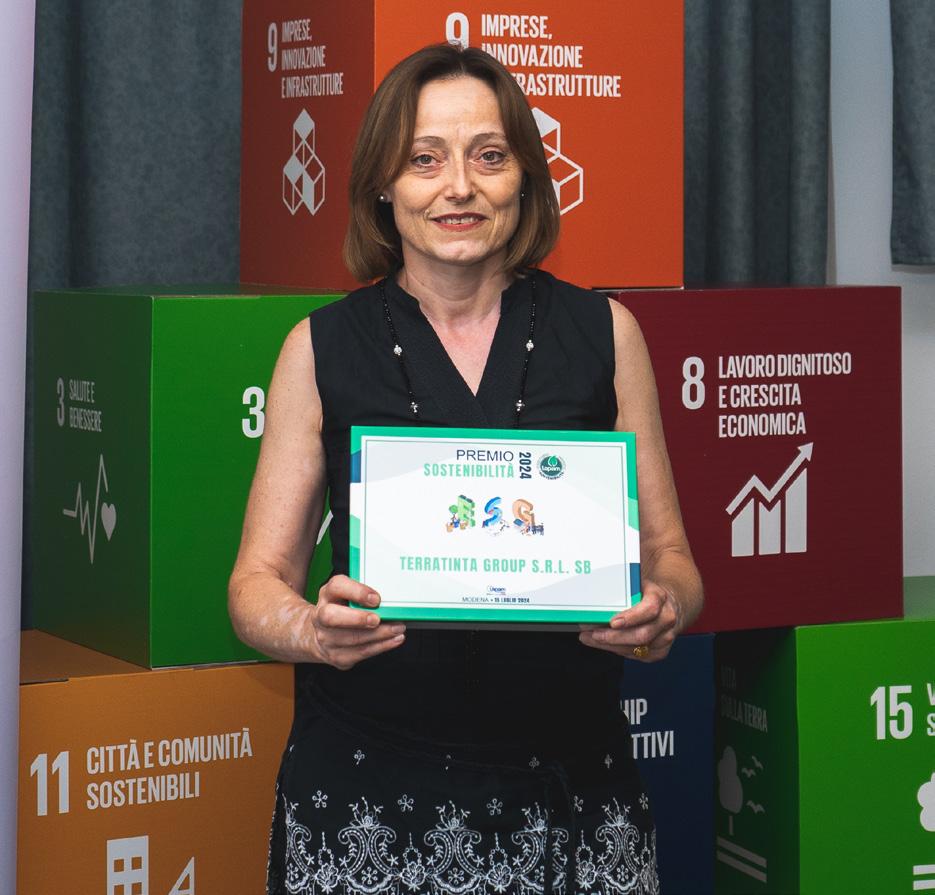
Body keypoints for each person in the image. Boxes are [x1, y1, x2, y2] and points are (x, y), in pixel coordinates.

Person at [229, 42, 702, 895]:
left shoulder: (605, 334)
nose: (458, 187)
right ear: (383, 183)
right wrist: (310, 631)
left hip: (571, 802)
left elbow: (674, 563)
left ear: (525, 177)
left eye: (488, 156)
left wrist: (663, 607)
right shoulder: (318, 347)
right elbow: (254, 585)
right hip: (367, 801)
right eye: (423, 159)